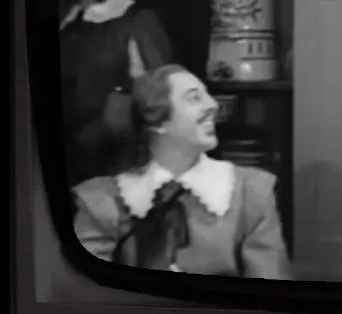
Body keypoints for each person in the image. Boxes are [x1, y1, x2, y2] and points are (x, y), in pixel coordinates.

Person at [71, 64, 292, 279]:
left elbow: (268, 288)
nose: (213, 105)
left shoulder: (251, 193)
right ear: (157, 122)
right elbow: (83, 289)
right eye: (194, 97)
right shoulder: (103, 201)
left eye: (208, 95)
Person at [59, 0, 174, 185]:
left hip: (122, 157)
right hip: (72, 155)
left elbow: (164, 87)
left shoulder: (138, 21)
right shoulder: (68, 27)